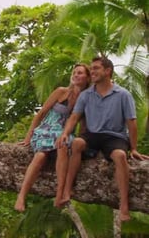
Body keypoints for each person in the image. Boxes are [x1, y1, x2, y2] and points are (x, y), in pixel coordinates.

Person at [56, 56, 149, 222]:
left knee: (120, 156)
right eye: (91, 69)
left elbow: (131, 123)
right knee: (76, 143)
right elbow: (74, 117)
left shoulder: (123, 94)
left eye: (96, 68)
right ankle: (67, 190)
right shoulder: (86, 95)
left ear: (107, 71)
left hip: (115, 136)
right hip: (92, 135)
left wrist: (133, 148)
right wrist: (65, 133)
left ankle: (124, 205)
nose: (92, 71)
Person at [14, 63, 91, 212]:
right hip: (45, 130)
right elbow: (41, 113)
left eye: (80, 73)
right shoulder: (61, 92)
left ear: (87, 78)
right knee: (40, 157)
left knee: (62, 146)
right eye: (74, 72)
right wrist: (28, 136)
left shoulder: (86, 99)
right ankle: (21, 196)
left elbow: (83, 124)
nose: (75, 75)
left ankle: (59, 193)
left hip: (64, 134)